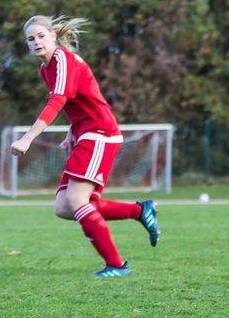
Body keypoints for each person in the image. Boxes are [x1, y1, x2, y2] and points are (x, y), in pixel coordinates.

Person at [9, 15, 160, 278]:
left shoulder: (62, 59)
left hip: (99, 133)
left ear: (53, 35)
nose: (36, 42)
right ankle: (140, 210)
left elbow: (57, 101)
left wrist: (27, 137)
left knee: (78, 200)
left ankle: (116, 265)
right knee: (64, 207)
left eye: (41, 36)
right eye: (30, 39)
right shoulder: (46, 69)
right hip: (86, 134)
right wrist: (71, 130)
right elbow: (78, 98)